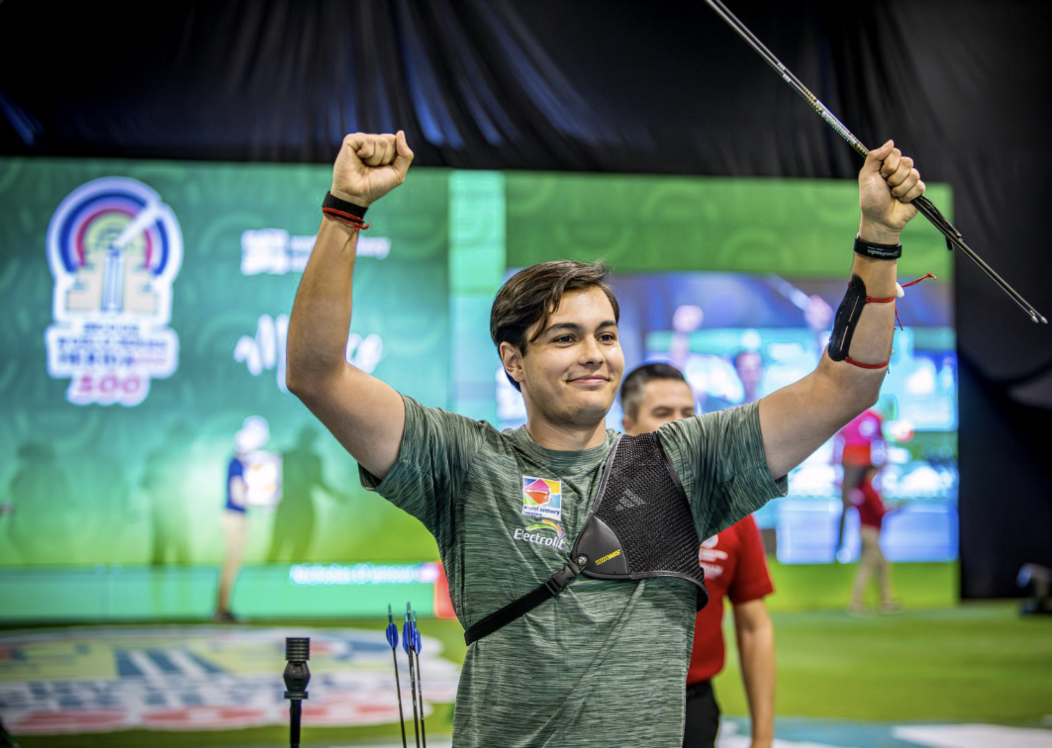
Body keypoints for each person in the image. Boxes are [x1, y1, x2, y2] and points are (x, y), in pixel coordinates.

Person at [286, 130, 924, 747]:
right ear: (513, 360)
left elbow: (845, 386)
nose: (594, 355)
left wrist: (880, 239)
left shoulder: (686, 462)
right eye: (566, 337)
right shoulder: (464, 462)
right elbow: (316, 375)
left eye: (607, 335)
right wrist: (345, 211)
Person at [621, 363, 776, 748]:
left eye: (688, 413)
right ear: (628, 425)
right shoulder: (594, 505)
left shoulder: (730, 511)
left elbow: (755, 628)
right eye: (662, 414)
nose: (680, 426)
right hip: (605, 705)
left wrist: (763, 737)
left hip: (693, 708)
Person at [836, 409, 900, 614]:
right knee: (876, 564)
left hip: (867, 530)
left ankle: (878, 600)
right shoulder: (868, 491)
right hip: (870, 532)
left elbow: (882, 440)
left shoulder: (865, 490)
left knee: (874, 564)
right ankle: (877, 600)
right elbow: (880, 512)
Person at [215, 416, 269, 622]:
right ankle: (222, 609)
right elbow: (238, 495)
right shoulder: (237, 464)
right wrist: (261, 502)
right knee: (231, 564)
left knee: (232, 564)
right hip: (234, 518)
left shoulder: (238, 463)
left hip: (235, 517)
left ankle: (223, 608)